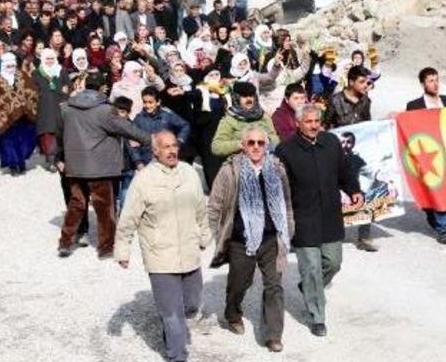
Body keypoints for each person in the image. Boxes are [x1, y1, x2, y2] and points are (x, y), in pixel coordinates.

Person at [115, 131, 209, 362]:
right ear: (155, 151)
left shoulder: (189, 173)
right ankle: (177, 354)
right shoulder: (144, 179)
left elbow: (200, 209)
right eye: (165, 147)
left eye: (174, 146)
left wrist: (204, 235)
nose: (172, 151)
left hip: (188, 251)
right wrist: (123, 250)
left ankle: (172, 329)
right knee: (172, 313)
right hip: (160, 255)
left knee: (192, 303)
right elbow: (128, 219)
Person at [274, 104, 362, 337]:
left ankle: (310, 288)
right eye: (309, 121)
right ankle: (317, 316)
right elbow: (280, 187)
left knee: (333, 262)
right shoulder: (286, 150)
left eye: (317, 121)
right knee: (311, 268)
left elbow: (344, 171)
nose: (314, 125)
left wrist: (353, 189)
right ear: (298, 123)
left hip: (330, 215)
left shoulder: (331, 142)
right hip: (304, 218)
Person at [207, 127, 293, 353]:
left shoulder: (277, 169)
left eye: (261, 143)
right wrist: (217, 235)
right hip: (240, 239)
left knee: (274, 285)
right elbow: (214, 205)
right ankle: (232, 312)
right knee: (239, 282)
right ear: (243, 146)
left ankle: (273, 335)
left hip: (271, 238)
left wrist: (289, 229)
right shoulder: (230, 171)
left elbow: (286, 201)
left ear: (267, 146)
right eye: (251, 143)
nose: (256, 147)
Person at [57, 72, 155, 258]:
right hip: (99, 166)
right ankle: (106, 247)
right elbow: (127, 128)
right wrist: (150, 139)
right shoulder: (105, 110)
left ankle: (65, 242)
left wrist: (61, 158)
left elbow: (60, 135)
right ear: (103, 87)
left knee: (76, 204)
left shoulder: (67, 108)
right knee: (104, 207)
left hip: (75, 165)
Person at [324, 65, 376, 251]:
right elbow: (326, 126)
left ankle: (364, 236)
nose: (365, 85)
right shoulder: (335, 100)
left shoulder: (365, 101)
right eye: (361, 82)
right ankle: (334, 234)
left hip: (357, 153)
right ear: (351, 81)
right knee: (336, 194)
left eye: (367, 82)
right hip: (337, 155)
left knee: (363, 188)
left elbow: (368, 125)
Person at [405, 67, 446, 244]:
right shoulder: (414, 106)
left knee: (440, 190)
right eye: (430, 81)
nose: (435, 84)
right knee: (431, 191)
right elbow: (408, 130)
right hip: (426, 156)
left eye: (436, 80)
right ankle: (437, 221)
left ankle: (441, 227)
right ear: (423, 84)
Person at [0, 52, 39, 175]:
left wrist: (30, 100)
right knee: (9, 141)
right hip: (6, 116)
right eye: (8, 65)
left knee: (25, 139)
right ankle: (13, 165)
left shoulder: (22, 75)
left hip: (23, 114)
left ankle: (21, 161)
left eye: (12, 65)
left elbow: (32, 90)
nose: (10, 68)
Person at [211, 82, 280, 159]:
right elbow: (216, 147)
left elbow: (275, 138)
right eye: (244, 96)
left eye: (251, 96)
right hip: (240, 162)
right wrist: (241, 144)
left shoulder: (263, 116)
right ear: (236, 98)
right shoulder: (229, 120)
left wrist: (266, 140)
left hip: (266, 159)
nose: (249, 99)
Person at [33, 48, 70, 171]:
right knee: (47, 134)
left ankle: (60, 158)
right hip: (44, 107)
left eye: (52, 58)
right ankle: (51, 160)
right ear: (43, 59)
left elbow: (68, 85)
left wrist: (66, 90)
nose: (50, 61)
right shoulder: (37, 73)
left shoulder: (62, 70)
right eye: (47, 58)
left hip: (60, 105)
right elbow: (33, 89)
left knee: (60, 133)